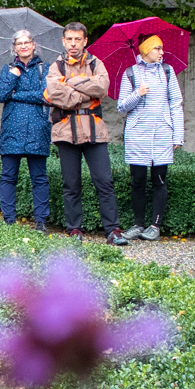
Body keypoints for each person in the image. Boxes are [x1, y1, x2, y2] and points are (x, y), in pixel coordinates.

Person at [44, 23, 127, 244]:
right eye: (69, 39)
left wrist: (70, 83)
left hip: (95, 131)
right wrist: (87, 92)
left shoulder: (96, 63)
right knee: (71, 184)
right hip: (65, 131)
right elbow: (56, 94)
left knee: (104, 181)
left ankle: (113, 230)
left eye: (77, 39)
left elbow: (102, 87)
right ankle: (74, 229)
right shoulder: (55, 67)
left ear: (85, 41)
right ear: (63, 41)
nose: (73, 43)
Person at [117, 34, 185, 240]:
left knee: (159, 180)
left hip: (162, 133)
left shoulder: (167, 71)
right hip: (137, 135)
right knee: (137, 181)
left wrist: (177, 135)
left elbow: (176, 103)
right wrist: (137, 93)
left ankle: (155, 226)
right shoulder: (130, 73)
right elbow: (122, 106)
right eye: (158, 48)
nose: (162, 52)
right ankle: (138, 224)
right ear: (146, 50)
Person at [0, 30, 51, 226]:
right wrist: (13, 77)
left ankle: (41, 220)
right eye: (19, 43)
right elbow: (1, 95)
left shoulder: (45, 68)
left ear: (34, 45)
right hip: (12, 129)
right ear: (14, 48)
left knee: (39, 177)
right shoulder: (8, 69)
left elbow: (45, 95)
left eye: (27, 42)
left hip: (37, 128)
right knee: (8, 176)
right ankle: (9, 219)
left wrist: (16, 95)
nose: (23, 46)